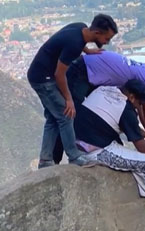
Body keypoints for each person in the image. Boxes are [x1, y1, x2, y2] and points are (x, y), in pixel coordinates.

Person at [72, 79, 145, 225]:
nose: (138, 108)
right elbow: (140, 146)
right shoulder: (125, 109)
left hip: (78, 141)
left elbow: (129, 125)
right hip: (94, 150)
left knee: (136, 159)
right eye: (139, 104)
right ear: (132, 97)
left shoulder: (105, 90)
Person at [27, 14, 118, 168]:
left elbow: (74, 43)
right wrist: (69, 100)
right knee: (66, 115)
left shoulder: (80, 26)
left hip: (40, 74)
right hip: (44, 79)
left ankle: (45, 159)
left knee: (53, 117)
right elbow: (60, 74)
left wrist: (88, 51)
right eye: (106, 38)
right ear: (97, 33)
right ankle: (74, 156)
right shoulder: (75, 45)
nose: (107, 42)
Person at [51, 53, 145, 163]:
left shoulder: (141, 69)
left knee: (77, 114)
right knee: (69, 115)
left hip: (87, 70)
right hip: (82, 71)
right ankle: (55, 158)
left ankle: (70, 153)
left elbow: (140, 107)